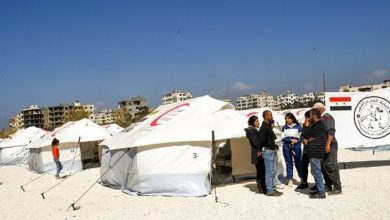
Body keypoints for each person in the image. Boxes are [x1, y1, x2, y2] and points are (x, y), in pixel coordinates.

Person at [313, 102, 342, 195]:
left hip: (330, 145)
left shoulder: (327, 117)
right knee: (323, 166)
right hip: (322, 146)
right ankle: (328, 185)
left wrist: (328, 144)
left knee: (331, 166)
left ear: (320, 109)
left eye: (314, 110)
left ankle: (337, 187)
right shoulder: (321, 118)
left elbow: (331, 132)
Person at [258, 110, 283, 196]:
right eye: (270, 115)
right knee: (269, 171)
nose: (271, 117)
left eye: (271, 115)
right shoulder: (264, 127)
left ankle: (273, 188)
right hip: (268, 151)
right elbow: (261, 140)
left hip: (272, 150)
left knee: (274, 171)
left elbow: (271, 138)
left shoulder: (268, 126)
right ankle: (270, 190)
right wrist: (259, 150)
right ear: (265, 116)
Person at [304, 108, 327, 199]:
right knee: (316, 171)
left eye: (310, 115)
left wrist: (306, 126)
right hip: (317, 151)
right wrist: (310, 138)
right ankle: (319, 189)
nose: (308, 118)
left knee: (316, 172)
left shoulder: (316, 125)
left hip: (315, 152)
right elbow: (309, 137)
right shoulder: (318, 125)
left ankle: (321, 193)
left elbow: (305, 135)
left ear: (314, 115)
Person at [244, 115, 267, 194]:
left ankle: (262, 187)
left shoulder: (255, 129)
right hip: (257, 151)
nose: (258, 122)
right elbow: (255, 142)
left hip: (259, 151)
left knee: (261, 169)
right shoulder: (251, 130)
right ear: (252, 122)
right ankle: (261, 187)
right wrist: (261, 147)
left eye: (258, 120)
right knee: (260, 170)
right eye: (256, 121)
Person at [281, 112, 303, 186]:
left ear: (292, 118)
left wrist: (297, 141)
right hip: (286, 146)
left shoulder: (298, 126)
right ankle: (290, 179)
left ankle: (302, 177)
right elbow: (282, 138)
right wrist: (291, 140)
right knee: (288, 163)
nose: (287, 120)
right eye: (286, 118)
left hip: (296, 146)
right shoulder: (284, 127)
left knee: (298, 162)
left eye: (288, 118)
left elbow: (301, 137)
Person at [295, 110, 311, 191]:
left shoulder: (315, 124)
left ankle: (321, 184)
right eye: (306, 117)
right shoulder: (305, 125)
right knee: (304, 166)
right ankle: (304, 183)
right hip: (306, 150)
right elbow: (302, 135)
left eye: (307, 117)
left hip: (313, 150)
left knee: (316, 168)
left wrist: (307, 126)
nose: (306, 119)